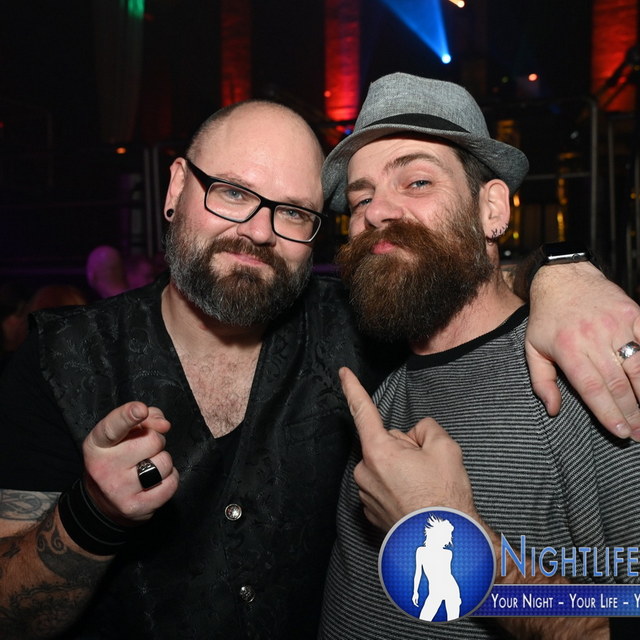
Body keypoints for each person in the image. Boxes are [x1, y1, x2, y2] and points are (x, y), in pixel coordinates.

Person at [0, 97, 639, 640]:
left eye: (294, 212)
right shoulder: (61, 360)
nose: (258, 231)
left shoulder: (592, 377)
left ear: (493, 207)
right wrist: (90, 516)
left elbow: (618, 611)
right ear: (174, 189)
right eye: (232, 192)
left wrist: (565, 272)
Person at [318, 73, 640, 639]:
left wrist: (448, 532)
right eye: (361, 197)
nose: (376, 211)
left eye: (417, 181)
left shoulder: (586, 375)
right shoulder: (378, 373)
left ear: (492, 208)